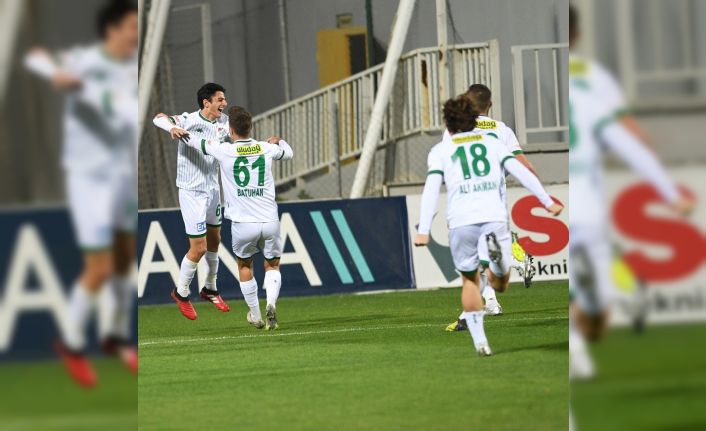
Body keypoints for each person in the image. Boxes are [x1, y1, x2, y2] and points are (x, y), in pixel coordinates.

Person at [568, 4, 694, 378]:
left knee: (577, 288)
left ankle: (578, 341)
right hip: (589, 207)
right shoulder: (591, 81)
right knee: (599, 299)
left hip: (566, 204)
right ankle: (592, 322)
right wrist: (670, 192)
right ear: (578, 34)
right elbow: (630, 144)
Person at [24, 0, 139, 387]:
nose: (136, 34)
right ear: (111, 29)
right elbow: (36, 59)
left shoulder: (130, 70)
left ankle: (115, 335)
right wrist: (58, 74)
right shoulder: (85, 61)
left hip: (120, 175)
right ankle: (71, 342)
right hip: (88, 178)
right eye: (131, 26)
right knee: (99, 267)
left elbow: (123, 112)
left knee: (124, 259)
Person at [415, 96, 563, 356]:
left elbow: (431, 189)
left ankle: (480, 342)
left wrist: (423, 230)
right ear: (475, 120)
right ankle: (495, 265)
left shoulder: (440, 150)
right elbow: (521, 171)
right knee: (500, 283)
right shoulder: (492, 142)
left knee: (469, 281)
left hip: (461, 221)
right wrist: (546, 201)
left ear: (448, 125)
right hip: (493, 215)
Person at [174, 106, 292, 330]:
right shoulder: (266, 148)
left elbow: (195, 142)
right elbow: (288, 153)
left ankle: (256, 315)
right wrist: (279, 141)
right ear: (251, 127)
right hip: (270, 220)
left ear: (230, 130)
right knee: (272, 265)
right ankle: (272, 303)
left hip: (243, 224)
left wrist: (176, 129)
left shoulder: (224, 150)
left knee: (245, 265)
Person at [443, 84, 539, 327]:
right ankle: (492, 300)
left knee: (473, 256)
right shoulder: (502, 129)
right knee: (483, 253)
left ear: (466, 103)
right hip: (495, 198)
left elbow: (449, 163)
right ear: (491, 105)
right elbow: (524, 165)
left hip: (467, 199)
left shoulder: (456, 128)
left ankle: (472, 313)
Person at [152, 83, 231, 319]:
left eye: (224, 99)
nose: (224, 103)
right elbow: (158, 117)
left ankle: (210, 288)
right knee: (199, 248)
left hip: (213, 189)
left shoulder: (224, 122)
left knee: (215, 239)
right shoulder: (188, 120)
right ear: (206, 102)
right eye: (220, 99)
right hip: (191, 192)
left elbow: (238, 138)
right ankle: (181, 292)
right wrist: (171, 127)